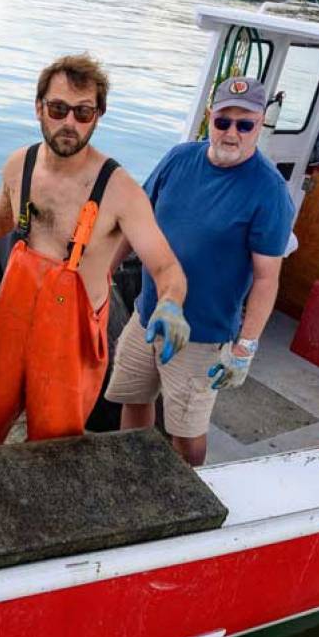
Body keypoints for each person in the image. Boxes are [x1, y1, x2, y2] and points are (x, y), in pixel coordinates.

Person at [0, 53, 189, 448]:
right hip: (11, 321)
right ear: (39, 107)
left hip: (70, 343)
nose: (69, 122)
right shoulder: (20, 164)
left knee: (53, 444)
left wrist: (172, 304)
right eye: (58, 108)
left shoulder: (121, 190)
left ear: (98, 115)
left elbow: (165, 266)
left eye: (83, 112)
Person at [104, 76, 295, 466]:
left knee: (186, 432)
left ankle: (192, 484)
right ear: (210, 117)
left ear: (261, 125)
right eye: (223, 121)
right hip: (147, 314)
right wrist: (103, 273)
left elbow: (266, 278)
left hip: (203, 336)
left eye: (245, 125)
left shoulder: (269, 191)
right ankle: (132, 469)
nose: (231, 133)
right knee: (133, 397)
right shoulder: (179, 158)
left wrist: (245, 347)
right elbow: (135, 219)